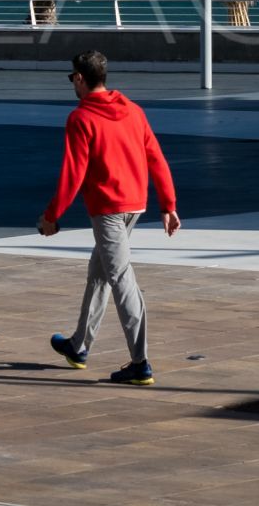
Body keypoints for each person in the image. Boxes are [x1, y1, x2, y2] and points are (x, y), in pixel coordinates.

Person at [37, 50, 180, 386]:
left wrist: (51, 217)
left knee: (121, 278)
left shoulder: (80, 119)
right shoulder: (133, 110)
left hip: (109, 211)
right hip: (135, 205)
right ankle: (78, 346)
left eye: (72, 77)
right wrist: (168, 205)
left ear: (80, 78)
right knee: (99, 273)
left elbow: (72, 175)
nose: (72, 83)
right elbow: (156, 159)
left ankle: (140, 362)